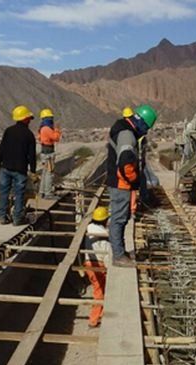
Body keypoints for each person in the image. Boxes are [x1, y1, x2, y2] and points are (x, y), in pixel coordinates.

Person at [106, 104, 158, 267]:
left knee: (122, 218)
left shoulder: (125, 131)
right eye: (146, 128)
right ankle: (118, 256)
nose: (145, 132)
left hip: (121, 182)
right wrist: (134, 179)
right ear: (141, 122)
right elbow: (125, 161)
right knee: (119, 219)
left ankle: (121, 252)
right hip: (121, 183)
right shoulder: (127, 134)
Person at [0, 105, 37, 225]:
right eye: (29, 118)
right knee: (19, 194)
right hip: (20, 170)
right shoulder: (29, 134)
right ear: (25, 119)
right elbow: (32, 155)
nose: (30, 121)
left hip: (5, 168)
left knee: (4, 192)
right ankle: (17, 218)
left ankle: (2, 216)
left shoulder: (8, 131)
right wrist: (33, 171)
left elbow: (2, 148)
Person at [84, 207, 111, 328]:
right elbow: (107, 256)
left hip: (88, 263)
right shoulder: (104, 237)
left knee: (100, 289)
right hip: (98, 265)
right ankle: (93, 320)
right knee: (99, 291)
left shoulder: (89, 229)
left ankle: (100, 315)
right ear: (105, 220)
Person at [37, 108, 62, 198]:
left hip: (45, 152)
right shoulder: (47, 129)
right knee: (49, 173)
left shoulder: (42, 128)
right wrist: (57, 130)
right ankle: (48, 193)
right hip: (48, 153)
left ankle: (42, 192)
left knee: (45, 173)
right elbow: (56, 138)